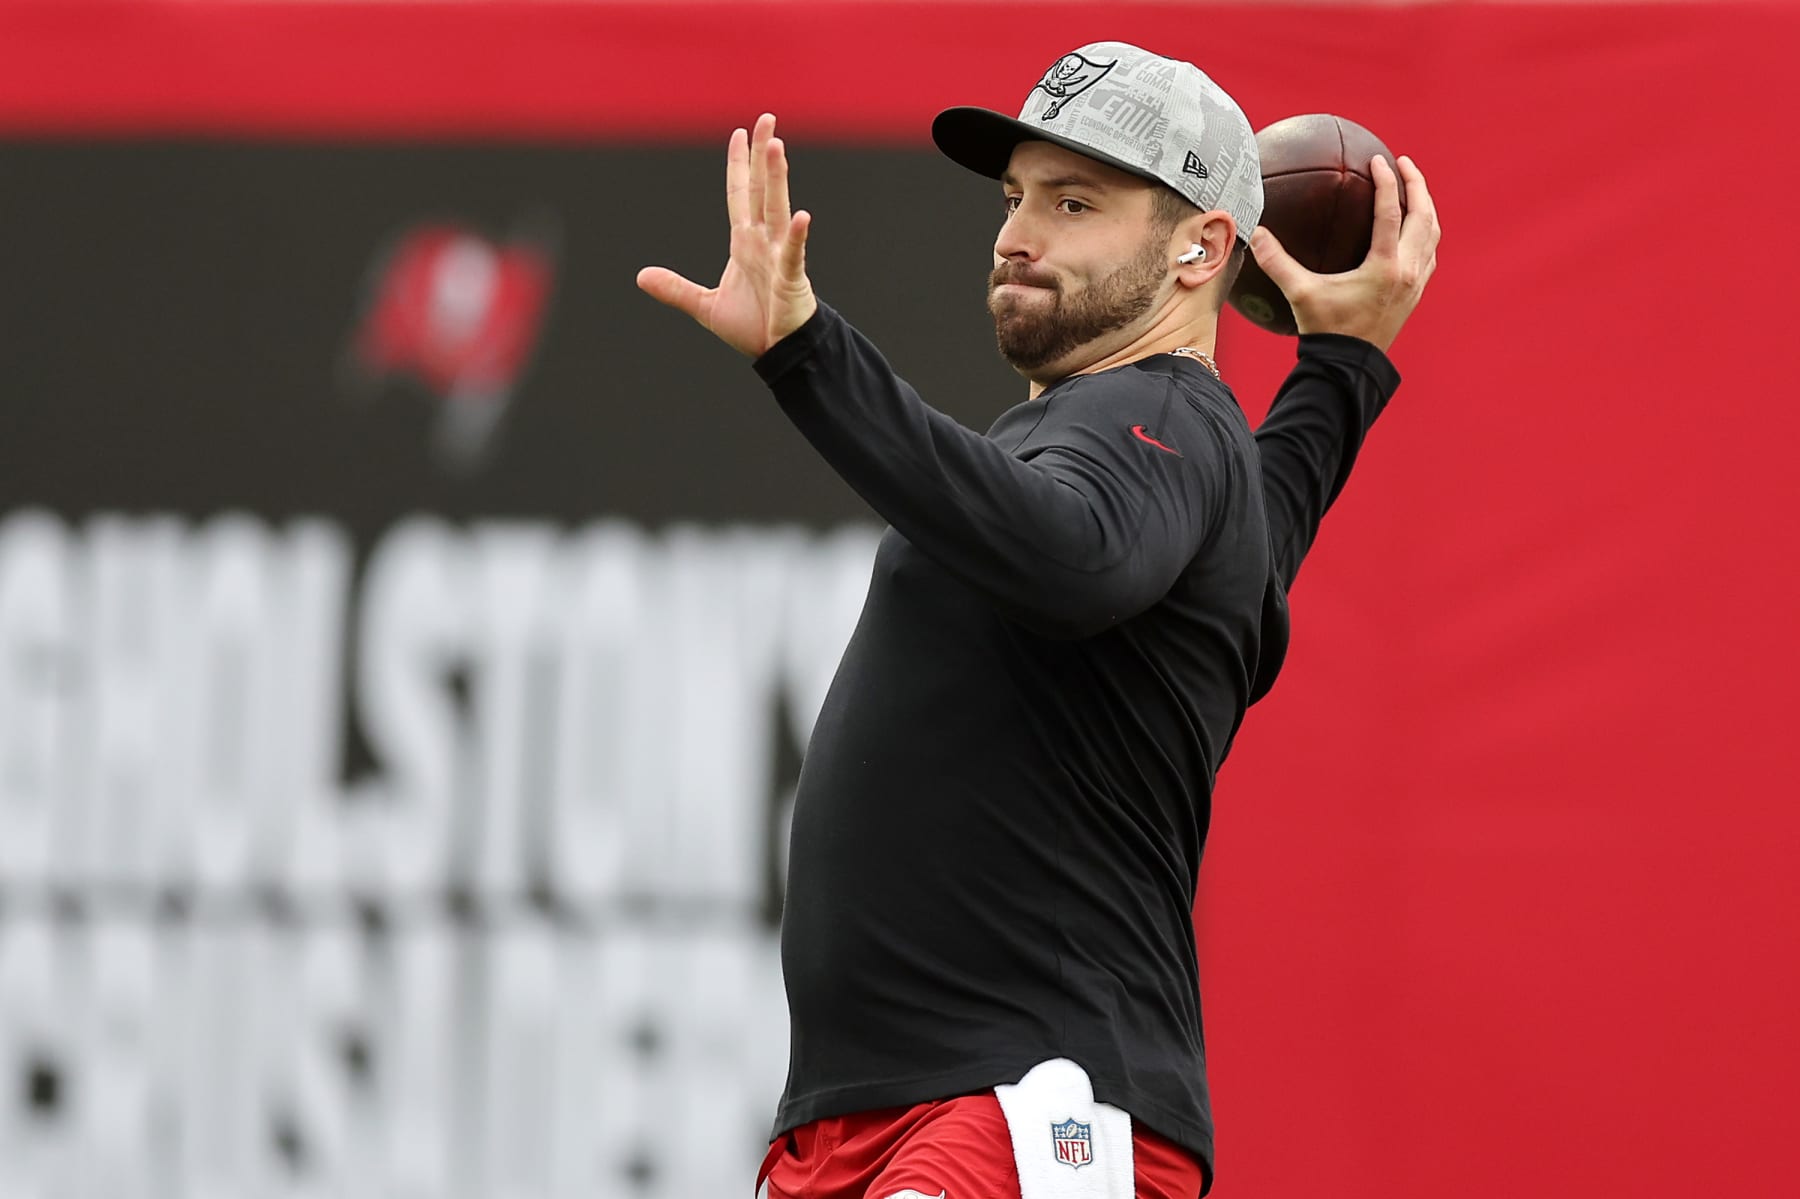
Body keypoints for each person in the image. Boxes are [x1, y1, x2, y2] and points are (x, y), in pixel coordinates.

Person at [638, 40, 1439, 1199]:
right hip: (900, 1107)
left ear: (1202, 247)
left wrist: (811, 357)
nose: (1018, 233)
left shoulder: (1149, 418)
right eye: (1016, 198)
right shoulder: (1164, 451)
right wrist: (1343, 366)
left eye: (1075, 203)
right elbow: (1260, 539)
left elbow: (1070, 557)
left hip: (1023, 1105)